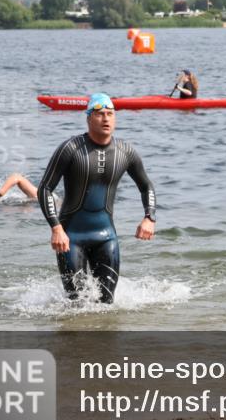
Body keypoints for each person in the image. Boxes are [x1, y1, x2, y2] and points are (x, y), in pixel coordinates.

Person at [37, 93, 156, 304]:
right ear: (89, 118)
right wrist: (56, 228)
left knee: (107, 305)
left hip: (106, 238)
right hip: (70, 239)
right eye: (100, 114)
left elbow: (146, 186)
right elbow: (45, 188)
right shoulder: (71, 149)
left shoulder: (125, 152)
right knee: (76, 304)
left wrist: (149, 217)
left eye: (110, 114)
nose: (106, 119)